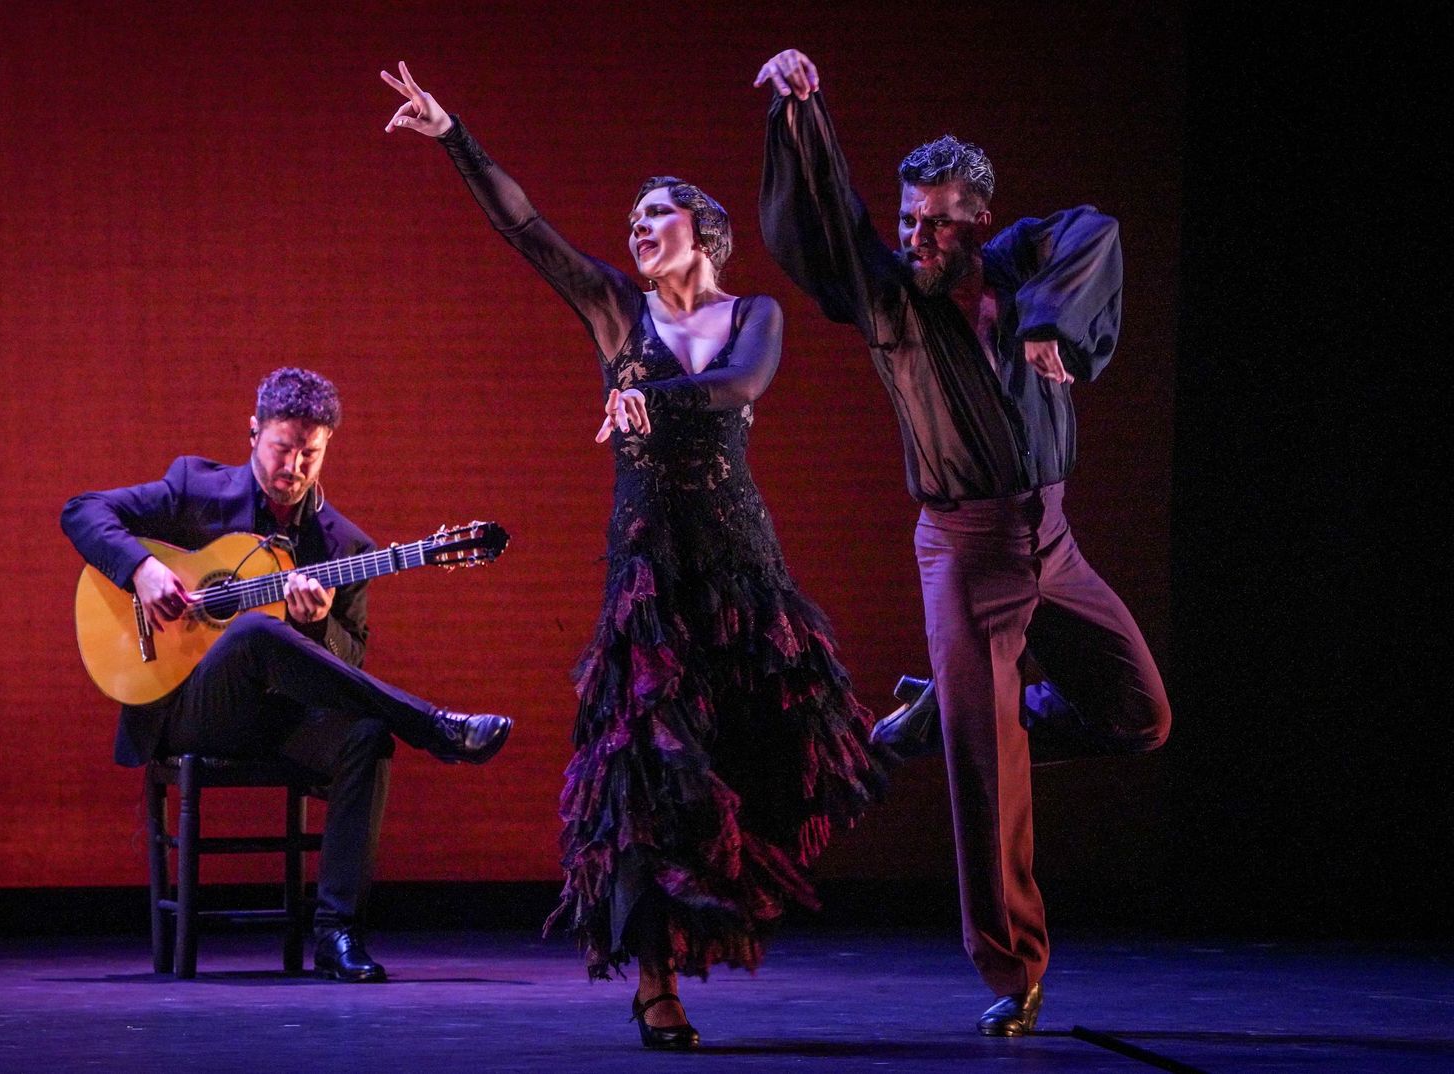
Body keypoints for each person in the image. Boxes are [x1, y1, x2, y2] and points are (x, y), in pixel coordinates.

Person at [380, 63, 885, 1049]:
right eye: (631, 221)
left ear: (703, 230)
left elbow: (738, 389)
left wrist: (648, 400)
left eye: (656, 215)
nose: (637, 229)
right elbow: (525, 229)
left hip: (741, 574)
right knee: (647, 776)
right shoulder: (617, 312)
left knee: (756, 763)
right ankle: (655, 983)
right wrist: (454, 134)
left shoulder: (754, 319)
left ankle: (731, 903)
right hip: (648, 583)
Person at [753, 50, 1172, 1036]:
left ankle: (946, 709)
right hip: (967, 550)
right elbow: (822, 226)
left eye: (937, 218)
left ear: (977, 217)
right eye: (908, 218)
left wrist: (1047, 318)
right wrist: (802, 114)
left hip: (1049, 537)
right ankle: (1016, 969)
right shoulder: (890, 296)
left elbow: (1096, 230)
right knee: (990, 778)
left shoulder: (1023, 262)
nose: (917, 235)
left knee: (1140, 715)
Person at [61, 367, 512, 983]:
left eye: (310, 453)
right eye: (281, 448)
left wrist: (320, 629)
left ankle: (338, 933)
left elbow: (346, 666)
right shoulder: (197, 488)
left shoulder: (347, 547)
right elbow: (82, 510)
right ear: (252, 433)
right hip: (188, 706)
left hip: (281, 724)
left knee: (367, 734)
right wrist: (140, 568)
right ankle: (431, 724)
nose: (294, 466)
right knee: (251, 630)